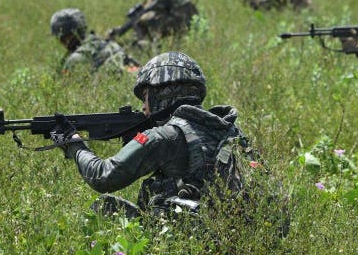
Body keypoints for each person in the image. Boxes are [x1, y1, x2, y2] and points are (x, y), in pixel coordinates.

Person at [50, 52, 249, 219]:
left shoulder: (163, 136)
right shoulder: (228, 130)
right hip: (229, 229)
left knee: (105, 207)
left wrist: (74, 145)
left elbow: (103, 176)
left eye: (146, 97)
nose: (144, 108)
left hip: (185, 238)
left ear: (162, 93)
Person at [50, 8, 139, 73]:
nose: (62, 42)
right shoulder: (108, 44)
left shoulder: (74, 59)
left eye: (63, 38)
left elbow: (66, 86)